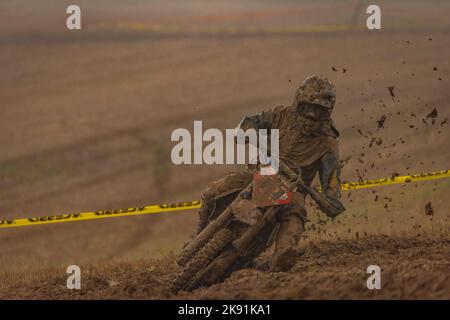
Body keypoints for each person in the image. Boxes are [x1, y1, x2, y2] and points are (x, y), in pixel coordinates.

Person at [196, 75, 345, 271]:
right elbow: (249, 122)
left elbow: (332, 187)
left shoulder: (329, 143)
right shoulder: (281, 114)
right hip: (260, 175)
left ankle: (283, 252)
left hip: (292, 190)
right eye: (307, 108)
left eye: (319, 111)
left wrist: (330, 200)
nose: (311, 115)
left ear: (327, 113)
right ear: (298, 104)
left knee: (297, 210)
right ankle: (197, 235)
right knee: (214, 191)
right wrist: (249, 133)